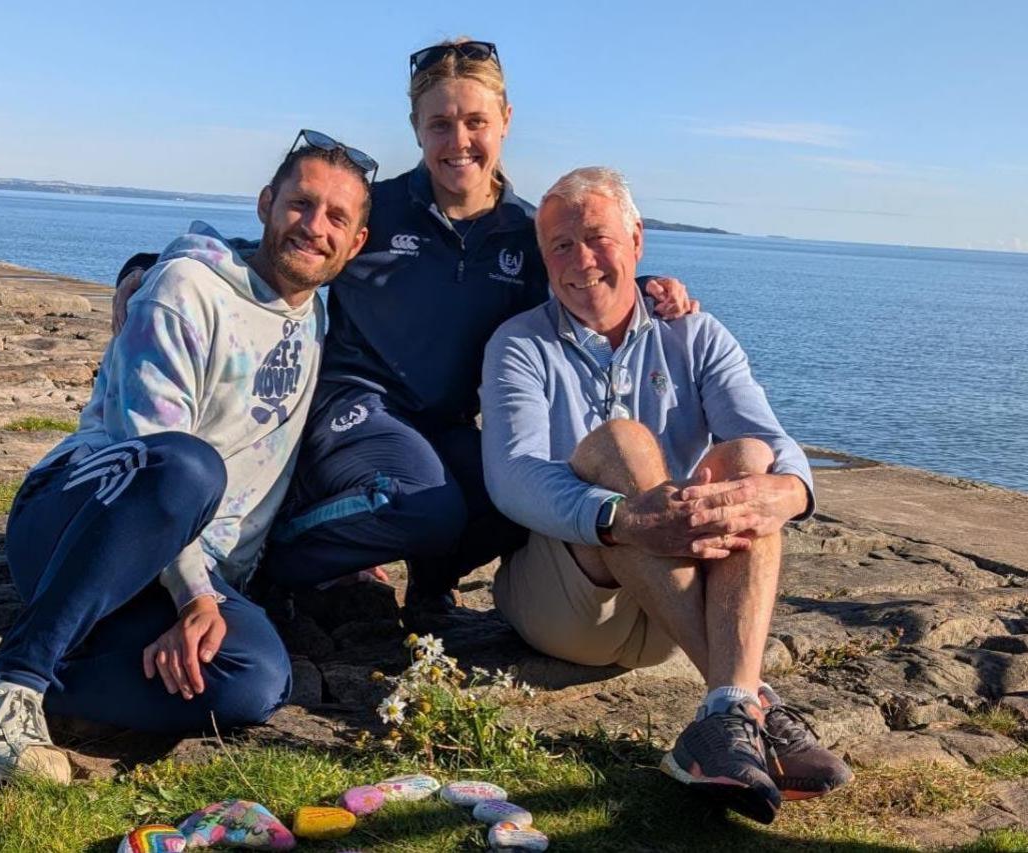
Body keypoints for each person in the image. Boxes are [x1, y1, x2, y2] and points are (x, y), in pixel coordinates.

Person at [0, 130, 375, 782]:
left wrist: (201, 598)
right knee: (188, 465)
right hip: (80, 517)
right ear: (265, 203)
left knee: (256, 680)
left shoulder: (317, 314)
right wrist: (194, 594)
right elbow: (150, 456)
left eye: (336, 217)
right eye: (301, 203)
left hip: (166, 578)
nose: (314, 227)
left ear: (356, 244)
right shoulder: (187, 290)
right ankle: (15, 683)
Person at [113, 40, 697, 620]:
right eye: (439, 123)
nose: (458, 141)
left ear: (506, 121)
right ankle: (277, 562)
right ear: (416, 126)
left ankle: (429, 587)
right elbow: (274, 253)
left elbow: (582, 272)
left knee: (519, 497)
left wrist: (644, 285)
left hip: (446, 422)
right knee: (427, 506)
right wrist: (146, 265)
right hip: (356, 403)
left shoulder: (525, 231)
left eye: (475, 122)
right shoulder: (378, 208)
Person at [480, 166, 852, 823]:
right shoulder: (521, 345)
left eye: (597, 237)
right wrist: (621, 516)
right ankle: (750, 699)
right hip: (573, 602)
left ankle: (725, 717)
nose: (581, 260)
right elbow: (511, 474)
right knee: (621, 445)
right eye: (560, 246)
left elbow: (771, 438)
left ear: (637, 239)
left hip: (672, 610)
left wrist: (788, 491)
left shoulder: (695, 333)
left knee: (748, 458)